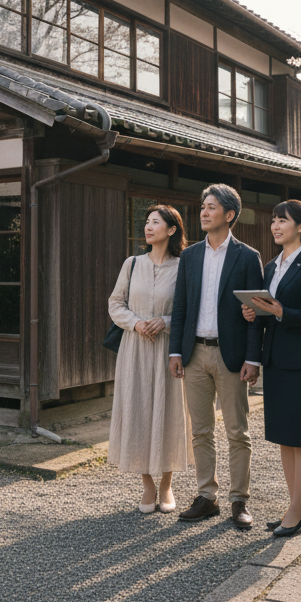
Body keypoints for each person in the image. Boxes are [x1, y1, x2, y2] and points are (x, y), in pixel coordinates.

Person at [168, 183, 265, 530]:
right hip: (194, 353)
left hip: (232, 356)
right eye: (203, 206)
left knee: (238, 432)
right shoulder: (191, 255)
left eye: (211, 207)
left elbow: (256, 311)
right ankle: (207, 496)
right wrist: (176, 350)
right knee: (201, 431)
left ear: (230, 215)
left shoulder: (247, 256)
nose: (204, 212)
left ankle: (240, 500)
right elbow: (180, 305)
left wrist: (253, 358)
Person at [241, 199, 301, 538]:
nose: (276, 226)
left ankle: (295, 511)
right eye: (274, 220)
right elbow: (268, 312)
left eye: (283, 221)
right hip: (276, 361)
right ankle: (296, 505)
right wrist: (255, 312)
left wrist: (280, 311)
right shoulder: (270, 266)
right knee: (284, 439)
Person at [107, 205, 191, 514]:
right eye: (146, 222)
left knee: (170, 413)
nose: (148, 226)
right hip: (135, 349)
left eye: (155, 222)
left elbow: (188, 310)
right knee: (138, 412)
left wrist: (165, 321)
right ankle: (147, 485)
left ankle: (167, 484)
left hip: (169, 351)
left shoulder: (183, 267)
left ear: (171, 230)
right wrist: (136, 322)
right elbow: (115, 304)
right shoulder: (132, 264)